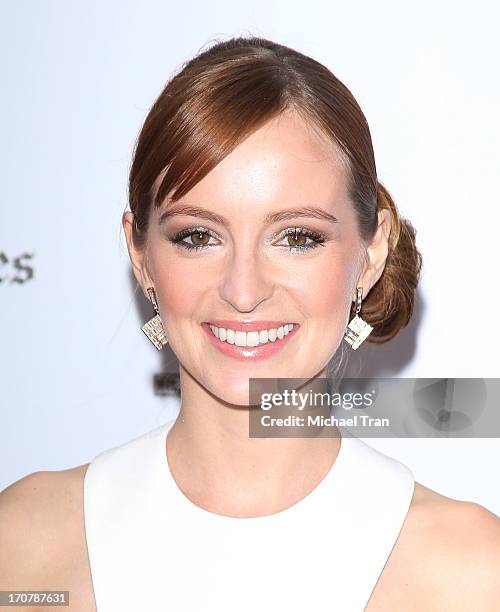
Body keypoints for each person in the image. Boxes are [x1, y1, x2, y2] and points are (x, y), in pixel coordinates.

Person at [1, 35, 499, 611]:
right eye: (198, 236)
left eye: (297, 237)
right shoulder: (24, 544)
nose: (243, 290)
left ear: (371, 252)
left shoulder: (469, 574)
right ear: (141, 256)